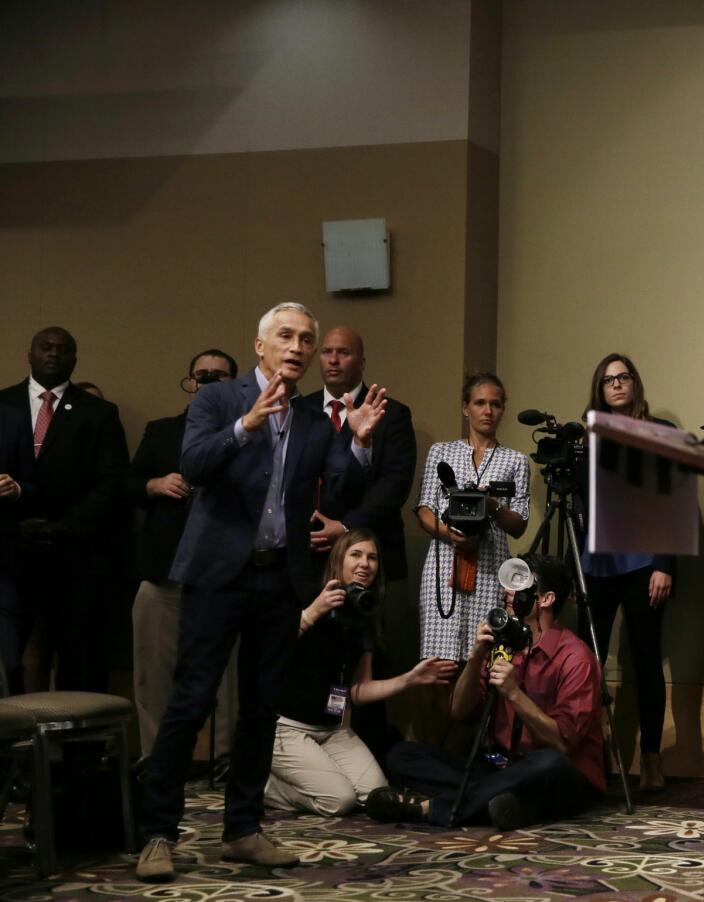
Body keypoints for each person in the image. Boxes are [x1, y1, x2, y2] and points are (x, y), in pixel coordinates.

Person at [135, 302, 388, 883]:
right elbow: (194, 465)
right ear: (260, 345)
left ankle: (242, 831)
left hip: (279, 577)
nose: (297, 347)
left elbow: (342, 489)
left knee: (259, 708)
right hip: (217, 576)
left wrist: (357, 444)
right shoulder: (218, 400)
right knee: (192, 701)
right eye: (286, 336)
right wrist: (245, 425)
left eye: (306, 338)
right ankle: (158, 833)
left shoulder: (310, 418)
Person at [371, 554, 605, 829]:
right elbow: (459, 713)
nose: (508, 591)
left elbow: (563, 744)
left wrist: (514, 694)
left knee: (548, 763)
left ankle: (432, 808)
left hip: (562, 773)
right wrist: (475, 656)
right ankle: (506, 803)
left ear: (546, 599)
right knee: (402, 755)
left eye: (520, 583)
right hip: (503, 767)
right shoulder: (502, 643)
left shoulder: (575, 657)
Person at [264, 528, 457, 816]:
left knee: (374, 795)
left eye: (372, 557)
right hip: (287, 728)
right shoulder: (306, 595)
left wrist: (411, 679)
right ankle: (259, 783)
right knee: (339, 801)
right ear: (338, 561)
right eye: (355, 555)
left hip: (333, 729)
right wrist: (313, 612)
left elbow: (358, 691)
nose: (365, 563)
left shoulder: (363, 613)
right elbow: (268, 650)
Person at [304, 326, 417, 756]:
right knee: (316, 658)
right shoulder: (301, 411)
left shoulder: (393, 413)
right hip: (313, 556)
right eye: (327, 352)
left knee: (370, 655)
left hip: (372, 556)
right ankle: (313, 747)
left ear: (361, 361)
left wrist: (346, 528)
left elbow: (394, 486)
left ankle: (369, 753)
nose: (333, 359)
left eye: (344, 353)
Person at [0, 326, 129, 693]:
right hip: (9, 553)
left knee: (79, 661)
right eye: (45, 347)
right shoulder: (2, 403)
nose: (53, 354)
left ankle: (79, 752)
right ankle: (12, 747)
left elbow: (111, 481)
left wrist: (63, 527)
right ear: (29, 353)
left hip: (76, 554)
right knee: (8, 660)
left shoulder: (99, 413)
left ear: (75, 359)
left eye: (63, 349)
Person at [126, 349, 240, 763]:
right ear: (190, 381)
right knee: (153, 675)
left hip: (223, 574)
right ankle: (157, 760)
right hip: (164, 572)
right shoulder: (161, 431)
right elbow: (127, 484)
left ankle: (222, 759)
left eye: (219, 375)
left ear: (235, 382)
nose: (208, 380)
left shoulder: (248, 431)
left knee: (227, 677)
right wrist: (155, 484)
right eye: (201, 374)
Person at [578, 353, 676, 791]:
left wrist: (664, 564)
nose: (617, 385)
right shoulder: (589, 437)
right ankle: (589, 755)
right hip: (597, 565)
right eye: (608, 380)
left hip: (644, 565)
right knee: (588, 662)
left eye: (624, 377)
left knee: (645, 659)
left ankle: (651, 759)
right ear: (599, 390)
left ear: (635, 383)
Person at [414, 373, 530, 666]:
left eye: (495, 404)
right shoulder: (441, 452)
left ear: (503, 409)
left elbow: (519, 524)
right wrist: (447, 534)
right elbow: (424, 508)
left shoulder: (515, 460)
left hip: (491, 567)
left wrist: (491, 506)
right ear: (465, 407)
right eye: (480, 403)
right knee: (439, 663)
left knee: (483, 658)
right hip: (443, 566)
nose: (488, 411)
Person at [0, 404, 34, 692]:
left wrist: (17, 489)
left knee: (10, 663)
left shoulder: (12, 418)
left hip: (3, 563)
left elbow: (36, 484)